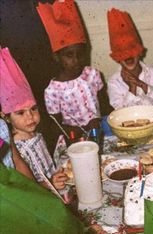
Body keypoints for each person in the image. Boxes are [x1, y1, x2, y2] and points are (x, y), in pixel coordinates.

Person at [36, 0, 110, 140]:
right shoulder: (53, 90)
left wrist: (101, 120)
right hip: (74, 140)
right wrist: (83, 128)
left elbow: (104, 104)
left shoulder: (92, 74)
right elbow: (56, 126)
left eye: (80, 54)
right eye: (69, 55)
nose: (76, 60)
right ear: (57, 57)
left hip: (100, 133)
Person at [0, 46, 68, 191]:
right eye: (20, 113)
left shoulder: (36, 134)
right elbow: (27, 188)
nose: (30, 117)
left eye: (33, 108)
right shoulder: (19, 149)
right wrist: (50, 184)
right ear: (5, 117)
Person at [106, 8, 153, 110]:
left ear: (140, 51)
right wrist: (132, 87)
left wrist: (141, 84)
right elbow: (121, 113)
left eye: (131, 48)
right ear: (116, 58)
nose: (127, 56)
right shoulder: (114, 82)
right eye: (121, 51)